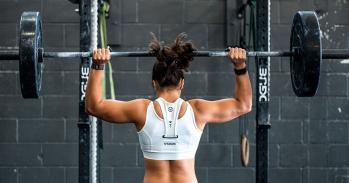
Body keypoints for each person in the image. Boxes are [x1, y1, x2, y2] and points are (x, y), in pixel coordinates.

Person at [85, 33, 252, 183]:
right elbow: (243, 105)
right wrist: (240, 66)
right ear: (182, 83)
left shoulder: (141, 110)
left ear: (154, 83)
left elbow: (93, 106)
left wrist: (98, 65)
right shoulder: (198, 110)